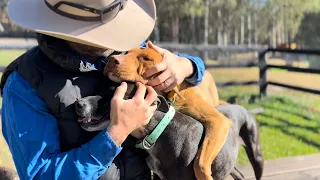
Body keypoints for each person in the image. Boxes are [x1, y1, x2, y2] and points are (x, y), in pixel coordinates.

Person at [0, 0, 205, 179]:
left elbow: (188, 68)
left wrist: (188, 66)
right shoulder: (23, 84)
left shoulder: (122, 49)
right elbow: (40, 175)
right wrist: (117, 132)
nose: (109, 37)